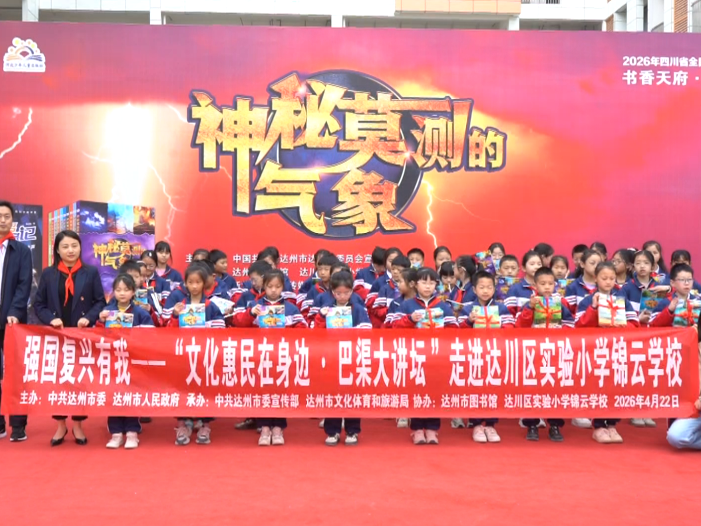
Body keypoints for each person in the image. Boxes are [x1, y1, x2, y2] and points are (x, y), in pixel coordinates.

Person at [34, 230, 106, 446]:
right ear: (57, 250)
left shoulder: (90, 272)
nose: (70, 250)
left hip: (81, 336)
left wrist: (89, 318)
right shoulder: (48, 274)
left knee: (79, 380)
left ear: (80, 247)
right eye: (65, 246)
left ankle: (78, 424)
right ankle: (60, 425)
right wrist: (50, 319)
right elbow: (39, 304)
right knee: (58, 381)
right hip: (57, 336)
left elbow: (100, 302)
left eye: (74, 245)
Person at [233, 269, 307, 446]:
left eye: (277, 286)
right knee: (262, 391)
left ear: (283, 287)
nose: (274, 290)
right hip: (260, 356)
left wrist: (288, 329)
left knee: (280, 391)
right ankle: (264, 427)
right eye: (270, 286)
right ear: (264, 286)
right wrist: (251, 314)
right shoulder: (255, 305)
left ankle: (278, 427)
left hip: (282, 356)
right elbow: (238, 323)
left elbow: (303, 329)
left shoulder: (290, 308)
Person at [391, 267, 457, 445]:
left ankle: (432, 429)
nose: (428, 286)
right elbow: (394, 327)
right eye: (424, 282)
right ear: (415, 284)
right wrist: (410, 320)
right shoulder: (407, 305)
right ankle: (417, 429)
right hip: (415, 356)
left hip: (437, 356)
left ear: (437, 285)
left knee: (434, 391)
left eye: (431, 283)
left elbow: (454, 329)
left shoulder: (443, 306)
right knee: (417, 391)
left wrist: (442, 331)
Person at [575, 261, 639, 444]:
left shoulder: (622, 299)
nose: (609, 281)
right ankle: (598, 426)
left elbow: (635, 324)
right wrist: (594, 308)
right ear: (596, 278)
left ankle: (611, 424)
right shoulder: (587, 300)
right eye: (604, 278)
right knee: (598, 387)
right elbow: (579, 326)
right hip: (596, 350)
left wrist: (622, 326)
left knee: (615, 386)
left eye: (612, 278)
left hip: (617, 350)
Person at [515, 267, 574, 442]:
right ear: (535, 285)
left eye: (550, 284)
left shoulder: (560, 303)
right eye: (543, 284)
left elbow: (571, 324)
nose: (547, 287)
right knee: (532, 388)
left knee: (555, 388)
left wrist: (561, 329)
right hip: (534, 353)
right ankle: (531, 424)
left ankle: (555, 425)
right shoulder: (529, 304)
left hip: (555, 352)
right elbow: (519, 326)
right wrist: (530, 309)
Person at [169, 264, 225, 446]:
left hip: (204, 355)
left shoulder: (211, 306)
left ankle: (204, 424)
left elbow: (220, 330)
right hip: (183, 355)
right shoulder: (180, 305)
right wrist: (175, 316)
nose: (194, 286)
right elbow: (168, 332)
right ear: (185, 283)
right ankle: (183, 423)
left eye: (198, 282)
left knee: (205, 387)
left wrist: (205, 329)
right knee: (182, 387)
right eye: (190, 282)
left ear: (204, 284)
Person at [97, 274, 154, 449]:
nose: (122, 293)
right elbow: (96, 336)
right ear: (113, 292)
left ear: (133, 292)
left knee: (131, 395)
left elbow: (150, 337)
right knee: (113, 395)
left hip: (132, 362)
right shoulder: (107, 312)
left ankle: (131, 432)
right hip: (113, 361)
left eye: (126, 290)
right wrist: (100, 321)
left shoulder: (140, 313)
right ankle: (116, 433)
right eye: (118, 290)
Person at [314, 271, 371, 446]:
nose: (342, 296)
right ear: (332, 292)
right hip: (332, 357)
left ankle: (352, 430)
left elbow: (367, 329)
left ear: (352, 291)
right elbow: (316, 332)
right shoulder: (327, 309)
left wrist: (351, 331)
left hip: (352, 357)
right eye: (338, 293)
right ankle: (333, 431)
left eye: (346, 293)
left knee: (352, 394)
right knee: (332, 394)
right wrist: (321, 316)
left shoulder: (358, 309)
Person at [458, 271, 514, 443]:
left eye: (489, 287)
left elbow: (511, 328)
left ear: (494, 289)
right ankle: (476, 424)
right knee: (476, 387)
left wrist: (500, 325)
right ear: (474, 289)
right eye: (481, 287)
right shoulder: (468, 308)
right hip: (474, 353)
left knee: (493, 387)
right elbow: (458, 332)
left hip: (495, 353)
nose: (485, 291)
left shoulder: (501, 308)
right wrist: (469, 321)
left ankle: (490, 424)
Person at [0, 201, 33, 442]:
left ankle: (18, 425)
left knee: (16, 373)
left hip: (12, 321)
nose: (2, 220)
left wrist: (15, 311)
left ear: (12, 220)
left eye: (6, 216)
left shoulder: (21, 250)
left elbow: (24, 285)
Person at [370, 255, 411, 327]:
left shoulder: (411, 289)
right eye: (393, 269)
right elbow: (377, 310)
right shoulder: (385, 289)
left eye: (399, 270)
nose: (395, 272)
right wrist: (391, 310)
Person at [300, 254, 337, 321]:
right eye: (320, 269)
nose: (322, 272)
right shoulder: (314, 289)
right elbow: (306, 313)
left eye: (326, 269)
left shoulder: (339, 290)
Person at [565, 249, 602, 315]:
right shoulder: (572, 287)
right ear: (582, 264)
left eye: (599, 264)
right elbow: (569, 313)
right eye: (592, 263)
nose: (596, 266)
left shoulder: (605, 286)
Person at [504, 251, 542, 317]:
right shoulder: (515, 288)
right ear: (523, 268)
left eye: (539, 264)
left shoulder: (547, 287)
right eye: (532, 264)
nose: (536, 267)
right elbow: (508, 314)